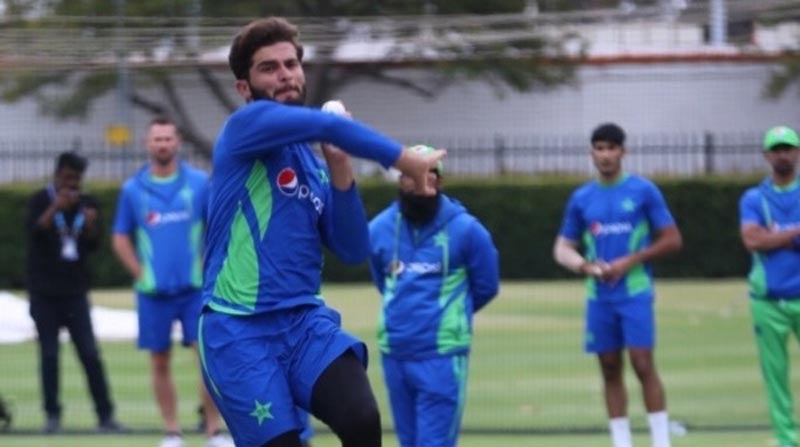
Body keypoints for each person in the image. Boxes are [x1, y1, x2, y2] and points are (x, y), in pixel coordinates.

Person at [197, 16, 445, 447]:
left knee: (362, 419)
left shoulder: (311, 164)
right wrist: (406, 160)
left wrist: (340, 165)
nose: (285, 75)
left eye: (291, 64)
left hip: (303, 323)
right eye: (268, 68)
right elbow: (328, 125)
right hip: (238, 331)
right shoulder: (244, 128)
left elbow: (351, 248)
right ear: (245, 88)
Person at [552, 123, 682, 447]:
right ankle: (621, 442)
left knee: (642, 363)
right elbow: (562, 247)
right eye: (599, 148)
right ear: (591, 153)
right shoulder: (582, 198)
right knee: (609, 368)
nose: (605, 155)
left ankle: (660, 440)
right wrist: (585, 265)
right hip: (599, 296)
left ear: (624, 152)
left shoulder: (643, 191)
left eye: (612, 148)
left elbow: (672, 240)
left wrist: (631, 261)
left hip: (635, 292)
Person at [367, 145, 499, 447]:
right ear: (400, 180)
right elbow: (383, 281)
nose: (417, 184)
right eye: (409, 176)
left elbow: (486, 286)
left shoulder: (467, 230)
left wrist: (451, 316)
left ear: (438, 180)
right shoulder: (379, 229)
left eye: (426, 176)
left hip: (442, 355)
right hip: (395, 352)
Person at [112, 117, 232, 447]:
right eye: (157, 139)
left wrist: (209, 269)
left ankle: (213, 430)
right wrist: (141, 274)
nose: (162, 144)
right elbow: (120, 238)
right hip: (153, 295)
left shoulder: (198, 183)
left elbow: (219, 229)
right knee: (159, 360)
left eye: (168, 138)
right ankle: (172, 432)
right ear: (147, 144)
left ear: (177, 143)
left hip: (196, 291)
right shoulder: (133, 189)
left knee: (208, 359)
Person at [24, 151, 125, 434]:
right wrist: (55, 208)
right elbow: (32, 232)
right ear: (57, 175)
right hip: (44, 293)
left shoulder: (88, 204)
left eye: (77, 180)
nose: (73, 185)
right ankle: (52, 416)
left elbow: (94, 246)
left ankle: (106, 416)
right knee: (49, 355)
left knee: (90, 354)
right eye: (68, 179)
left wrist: (91, 224)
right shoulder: (39, 200)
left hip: (75, 293)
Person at [739, 125, 800, 447]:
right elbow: (752, 239)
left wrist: (773, 236)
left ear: (798, 153)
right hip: (767, 300)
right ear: (766, 156)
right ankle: (787, 440)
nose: (782, 154)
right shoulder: (754, 198)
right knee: (775, 378)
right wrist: (793, 235)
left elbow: (764, 238)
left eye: (788, 148)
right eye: (776, 149)